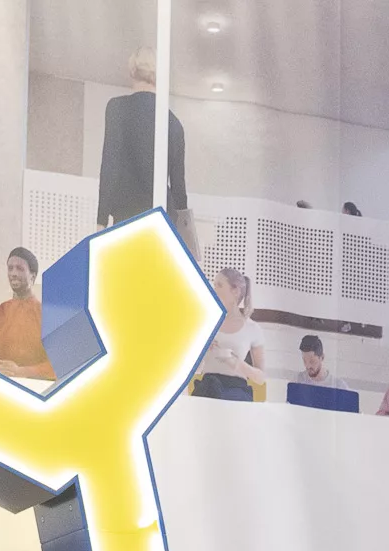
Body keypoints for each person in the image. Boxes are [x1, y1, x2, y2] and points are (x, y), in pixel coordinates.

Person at [97, 47, 187, 227]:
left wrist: (101, 220)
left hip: (127, 216)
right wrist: (185, 235)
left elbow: (110, 165)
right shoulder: (174, 123)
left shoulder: (117, 108)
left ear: (132, 71)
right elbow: (178, 187)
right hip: (162, 219)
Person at [0, 247, 56, 379]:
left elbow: (58, 366)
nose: (13, 273)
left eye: (20, 268)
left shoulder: (48, 315)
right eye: (10, 268)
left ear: (33, 276)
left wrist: (21, 372)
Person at [193, 268, 265, 401]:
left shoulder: (252, 328)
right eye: (214, 285)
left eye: (219, 285)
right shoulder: (206, 323)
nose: (213, 290)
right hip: (207, 389)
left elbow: (260, 378)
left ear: (235, 291)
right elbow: (194, 369)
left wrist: (235, 362)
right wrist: (203, 351)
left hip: (237, 393)